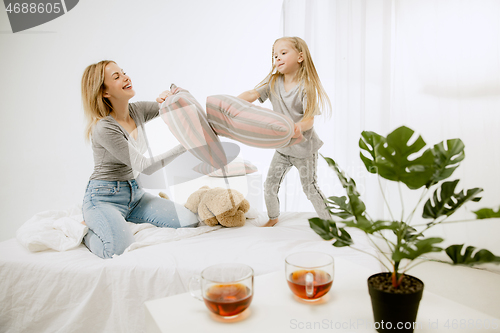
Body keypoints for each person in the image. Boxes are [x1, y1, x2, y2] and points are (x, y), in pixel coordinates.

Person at [81, 60, 198, 259]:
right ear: (104, 92)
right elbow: (145, 166)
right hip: (103, 198)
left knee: (189, 221)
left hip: (135, 195)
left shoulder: (138, 110)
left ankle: (120, 220)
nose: (126, 77)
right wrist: (187, 144)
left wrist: (171, 98)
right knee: (117, 250)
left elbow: (185, 110)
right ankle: (87, 232)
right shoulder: (104, 128)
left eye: (123, 72)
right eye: (116, 77)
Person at [238, 37, 332, 227]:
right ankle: (273, 217)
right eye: (274, 55)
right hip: (283, 149)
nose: (277, 58)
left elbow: (309, 120)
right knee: (270, 185)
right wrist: (232, 102)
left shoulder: (307, 87)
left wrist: (296, 128)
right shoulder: (274, 82)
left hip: (304, 150)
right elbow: (252, 94)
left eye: (283, 53)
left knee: (310, 188)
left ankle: (330, 225)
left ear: (300, 56)